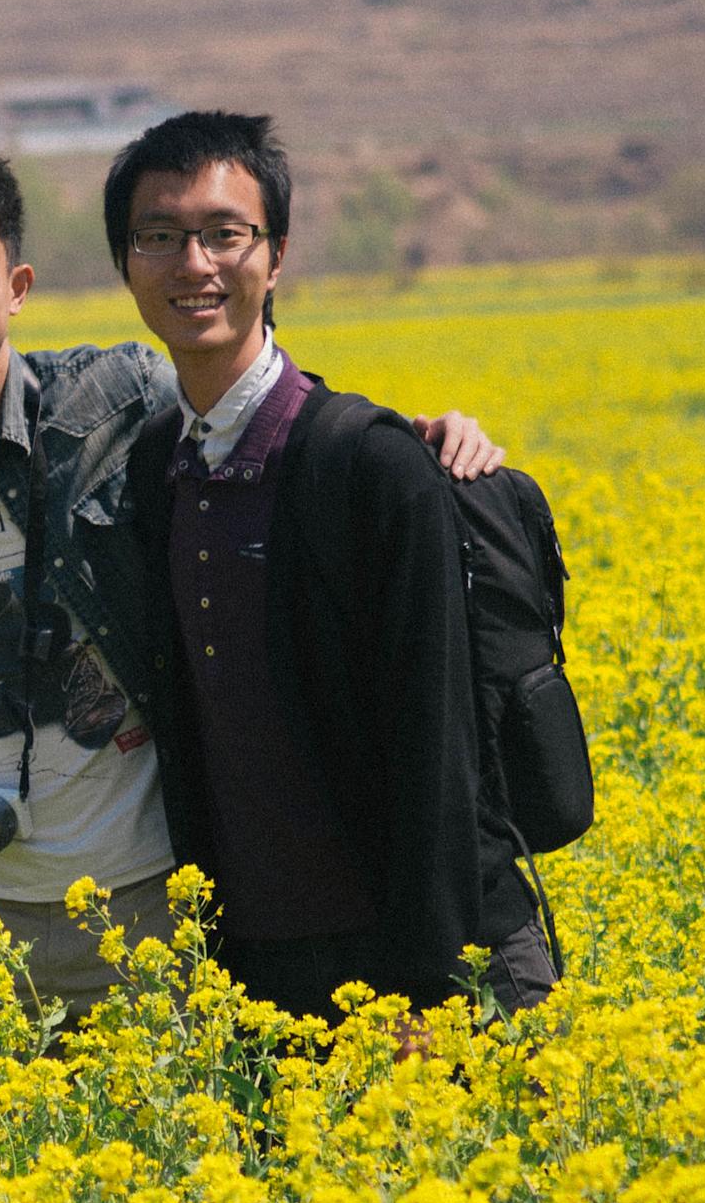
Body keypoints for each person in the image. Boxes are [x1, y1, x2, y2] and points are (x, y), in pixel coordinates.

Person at [0, 130, 502, 1009]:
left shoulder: (115, 404)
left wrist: (411, 439)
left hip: (150, 893)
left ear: (18, 287)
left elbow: (256, 409)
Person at [106, 110, 556, 1017]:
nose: (192, 264)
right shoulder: (155, 464)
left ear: (275, 257)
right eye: (159, 237)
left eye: (224, 234)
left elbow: (440, 747)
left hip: (436, 965)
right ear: (126, 264)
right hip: (265, 974)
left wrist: (430, 990)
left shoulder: (370, 465)